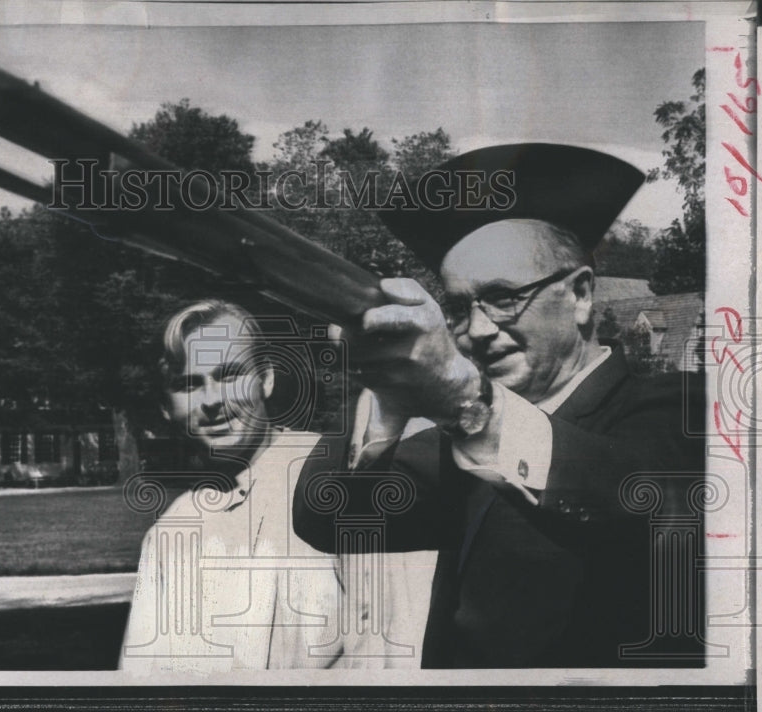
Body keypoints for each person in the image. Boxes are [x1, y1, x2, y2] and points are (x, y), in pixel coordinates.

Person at [293, 144, 706, 668]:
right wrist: (386, 387)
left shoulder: (681, 408)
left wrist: (468, 401)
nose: (480, 330)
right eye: (463, 307)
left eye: (505, 296)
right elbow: (326, 515)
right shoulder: (462, 445)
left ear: (580, 294)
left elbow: (646, 505)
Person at [120, 300, 345, 672]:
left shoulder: (333, 474)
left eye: (228, 376)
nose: (212, 400)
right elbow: (143, 686)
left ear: (266, 379)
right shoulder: (170, 533)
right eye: (188, 384)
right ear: (166, 407)